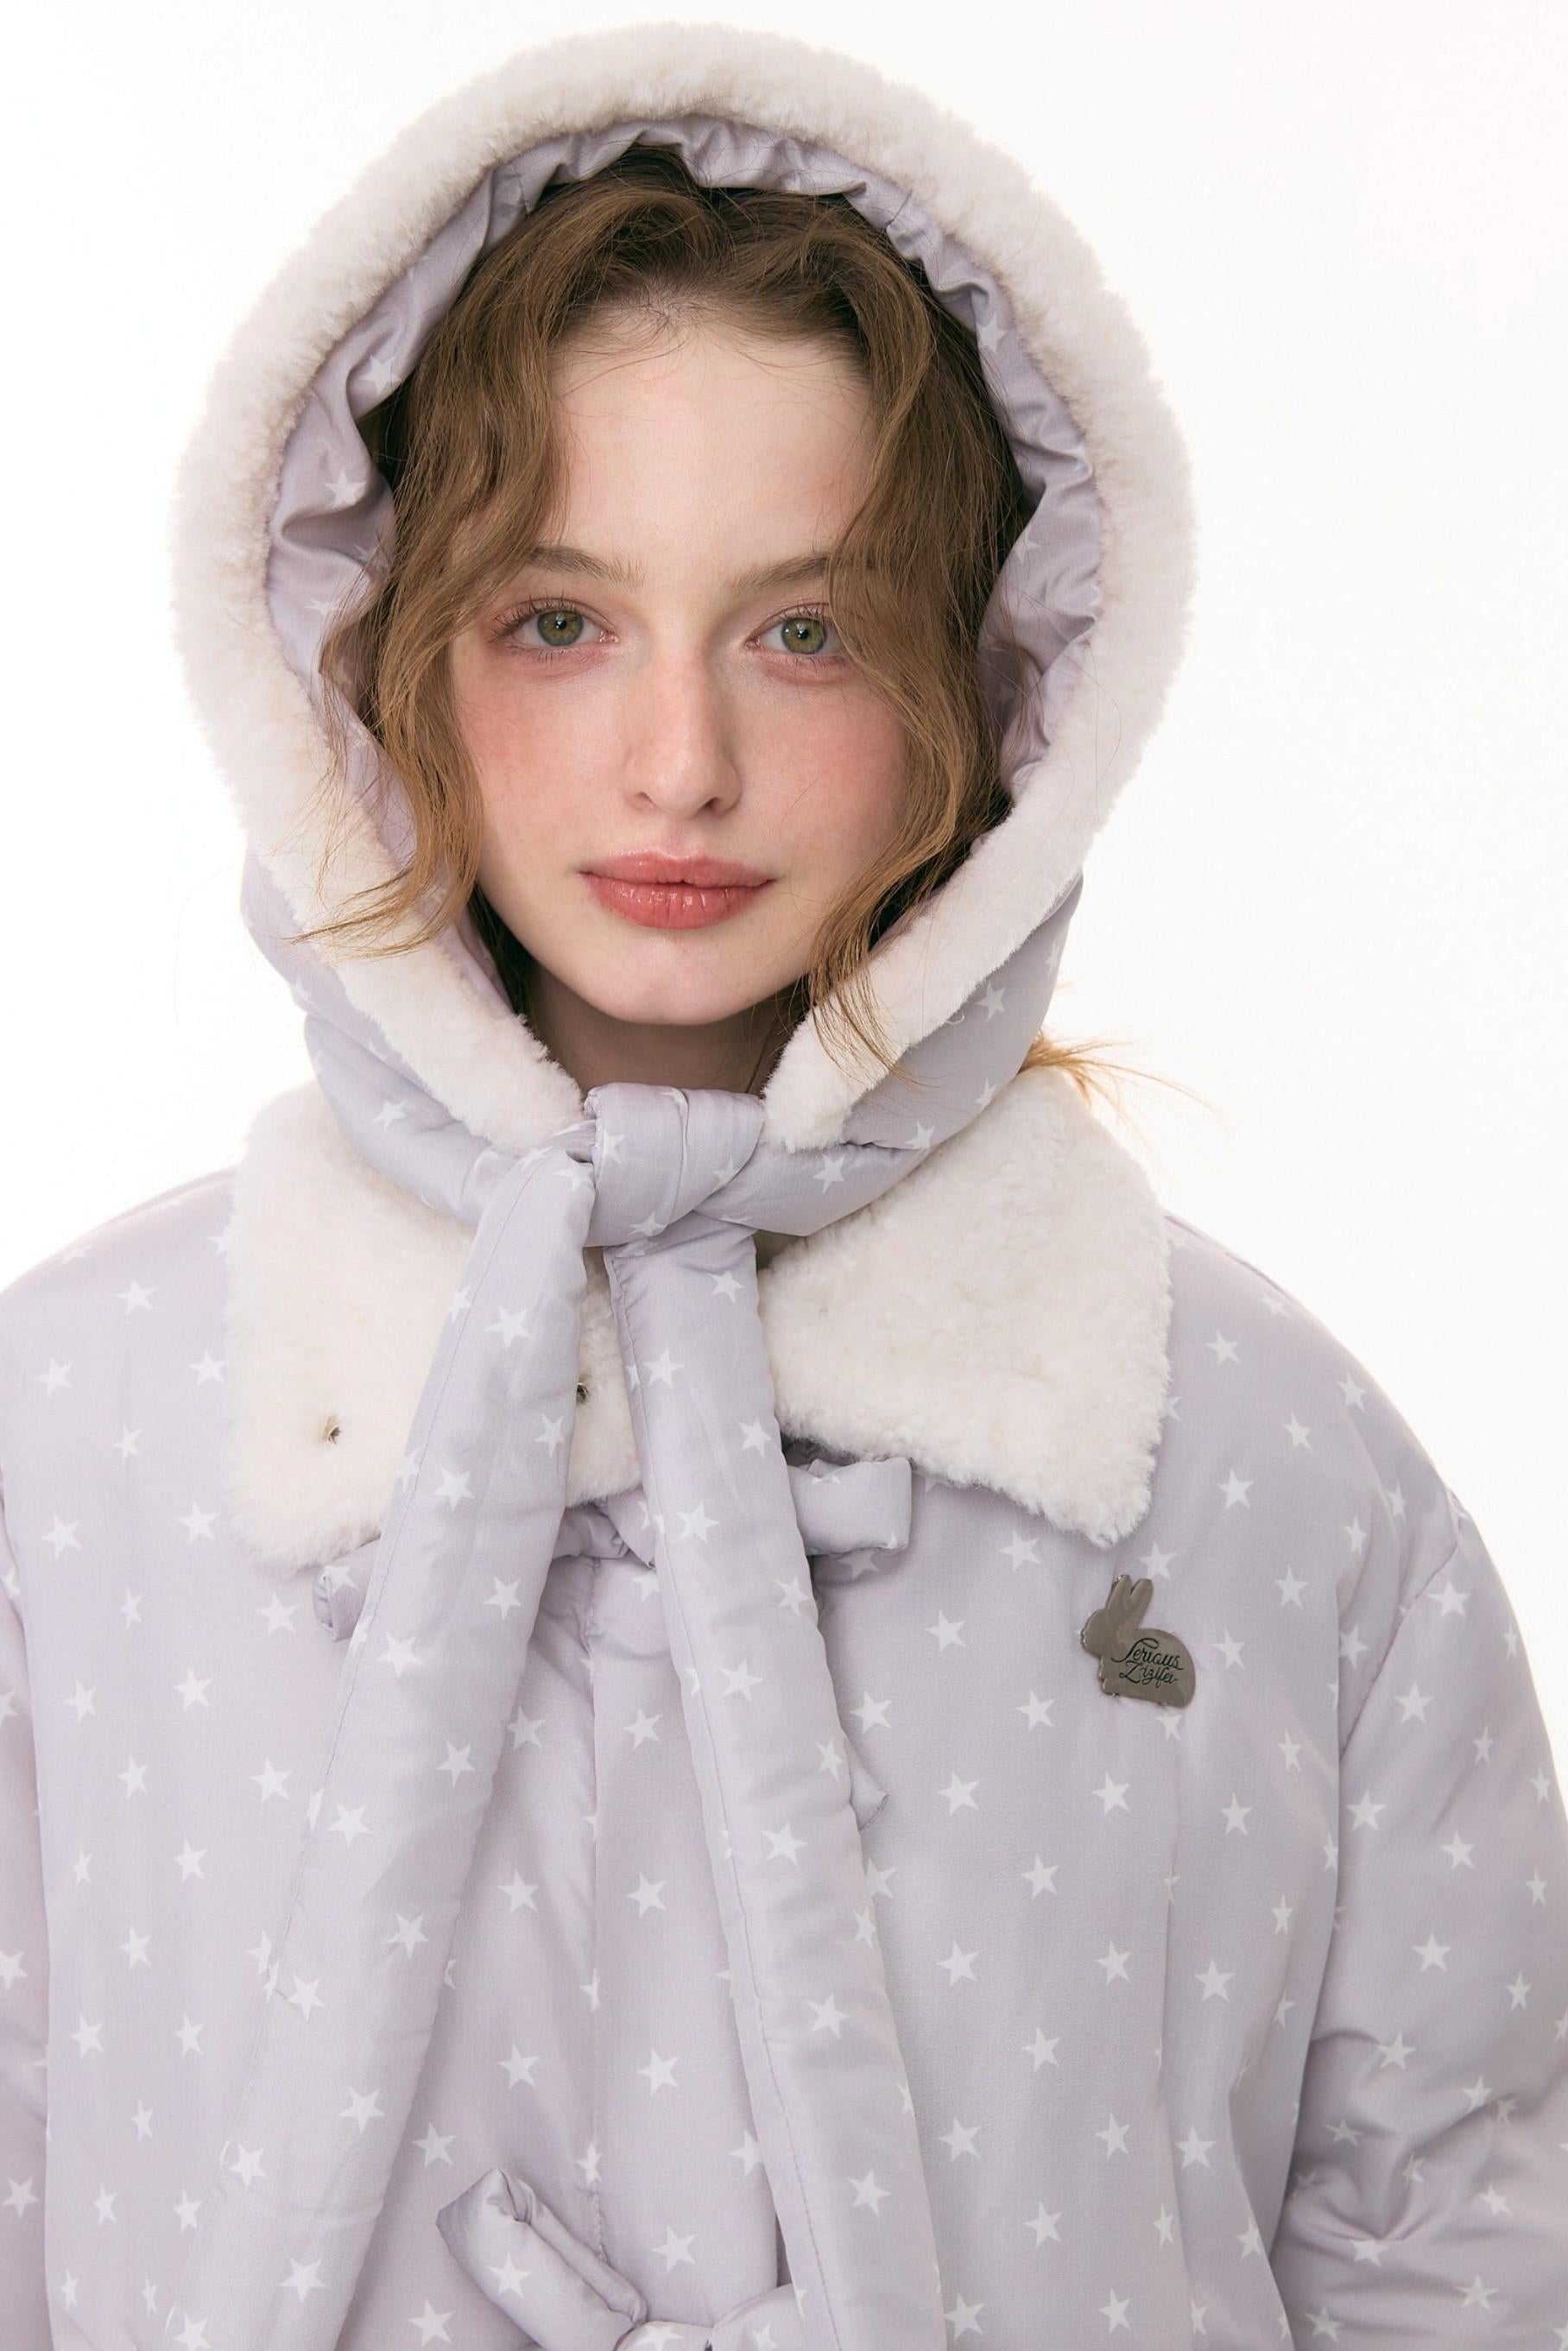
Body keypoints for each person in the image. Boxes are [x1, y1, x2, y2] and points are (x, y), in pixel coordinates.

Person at [1, 22, 1563, 2350]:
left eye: (805, 631)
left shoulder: (1260, 1465)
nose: (681, 760)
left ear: (993, 692)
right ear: (372, 656)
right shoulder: (81, 1435)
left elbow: (1467, 2239)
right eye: (558, 619)